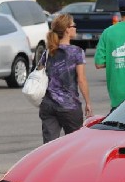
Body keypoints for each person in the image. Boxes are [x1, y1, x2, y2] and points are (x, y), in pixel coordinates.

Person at [38, 13, 93, 144]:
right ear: (67, 30)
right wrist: (88, 102)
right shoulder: (76, 52)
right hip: (69, 106)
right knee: (75, 145)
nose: (75, 28)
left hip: (48, 105)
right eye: (73, 25)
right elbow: (81, 79)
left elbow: (39, 72)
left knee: (49, 147)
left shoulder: (48, 51)